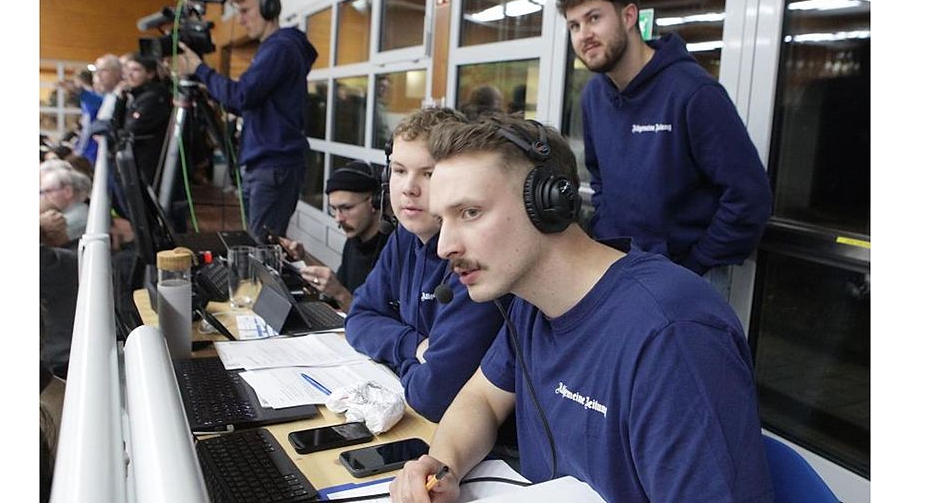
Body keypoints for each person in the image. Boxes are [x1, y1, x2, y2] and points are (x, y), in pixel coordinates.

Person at [389, 115, 772, 502]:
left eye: (469, 213)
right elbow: (482, 399)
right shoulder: (530, 303)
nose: (444, 246)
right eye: (443, 220)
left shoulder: (673, 335)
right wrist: (441, 464)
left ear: (548, 203)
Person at [559, 0, 772, 296]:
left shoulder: (694, 93)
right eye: (574, 25)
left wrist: (695, 264)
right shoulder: (593, 96)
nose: (583, 34)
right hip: (616, 268)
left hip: (686, 280)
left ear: (629, 16)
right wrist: (605, 232)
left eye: (594, 18)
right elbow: (600, 177)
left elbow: (749, 197)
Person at [344, 108, 505, 423]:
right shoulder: (405, 235)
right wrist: (413, 345)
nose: (408, 188)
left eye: (427, 174)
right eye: (400, 170)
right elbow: (359, 317)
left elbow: (435, 393)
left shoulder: (474, 256)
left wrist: (392, 352)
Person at [176, 0, 318, 243]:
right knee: (258, 244)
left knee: (261, 248)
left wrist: (200, 68)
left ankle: (263, 285)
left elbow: (241, 96)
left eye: (245, 10)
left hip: (273, 165)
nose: (241, 20)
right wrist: (208, 85)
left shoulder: (280, 47)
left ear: (268, 7)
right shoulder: (274, 48)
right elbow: (240, 101)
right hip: (266, 164)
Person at [278, 160, 390, 311]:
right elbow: (338, 285)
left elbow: (375, 322)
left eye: (346, 208)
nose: (338, 218)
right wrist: (303, 258)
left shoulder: (393, 250)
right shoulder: (354, 240)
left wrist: (340, 294)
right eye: (334, 209)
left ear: (375, 203)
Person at [116, 54, 172, 184]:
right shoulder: (134, 96)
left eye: (135, 70)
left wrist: (118, 133)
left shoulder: (154, 97)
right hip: (138, 161)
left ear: (150, 74)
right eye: (127, 70)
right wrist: (121, 100)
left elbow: (131, 129)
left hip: (147, 163)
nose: (129, 75)